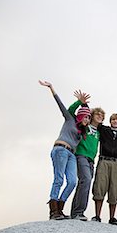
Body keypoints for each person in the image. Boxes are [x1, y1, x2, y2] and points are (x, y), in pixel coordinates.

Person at [39, 80, 91, 220]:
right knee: (59, 179)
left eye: (89, 117)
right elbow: (61, 106)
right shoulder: (70, 120)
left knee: (73, 181)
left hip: (71, 155)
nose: (87, 119)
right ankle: (53, 211)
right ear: (80, 115)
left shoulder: (83, 132)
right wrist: (52, 87)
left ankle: (60, 208)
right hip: (60, 150)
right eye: (85, 116)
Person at [68, 93, 105, 220]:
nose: (100, 116)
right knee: (86, 180)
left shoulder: (100, 132)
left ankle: (75, 213)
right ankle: (79, 212)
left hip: (91, 160)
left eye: (102, 115)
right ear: (91, 116)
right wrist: (80, 102)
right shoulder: (84, 126)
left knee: (84, 183)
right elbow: (71, 112)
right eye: (97, 114)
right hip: (81, 156)